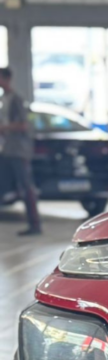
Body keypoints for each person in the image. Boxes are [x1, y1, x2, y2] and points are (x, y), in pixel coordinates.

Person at [0, 67, 41, 236]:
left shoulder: (16, 99)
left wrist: (4, 128)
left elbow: (24, 125)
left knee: (26, 186)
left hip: (18, 151)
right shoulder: (4, 99)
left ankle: (35, 224)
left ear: (7, 79)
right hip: (7, 150)